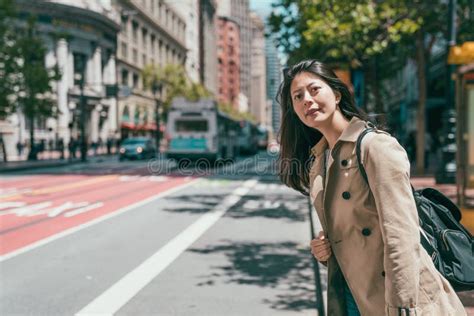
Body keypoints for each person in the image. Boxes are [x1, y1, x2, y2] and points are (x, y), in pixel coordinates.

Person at [277, 60, 465, 316]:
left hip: (393, 297)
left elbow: (402, 234)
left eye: (314, 89)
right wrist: (325, 248)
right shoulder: (319, 162)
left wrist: (402, 306)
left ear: (337, 93)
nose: (306, 100)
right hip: (350, 295)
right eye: (297, 96)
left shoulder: (375, 147)